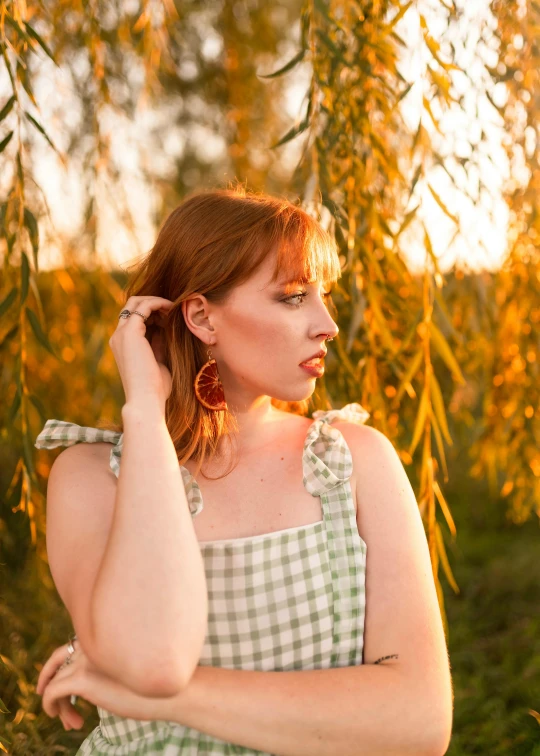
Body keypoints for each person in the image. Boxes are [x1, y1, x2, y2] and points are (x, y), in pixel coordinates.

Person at [34, 187, 453, 755]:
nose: (328, 324)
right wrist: (144, 412)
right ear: (202, 316)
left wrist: (164, 698)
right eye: (292, 297)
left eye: (322, 295)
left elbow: (419, 723)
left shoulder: (355, 464)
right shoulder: (89, 478)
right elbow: (155, 661)